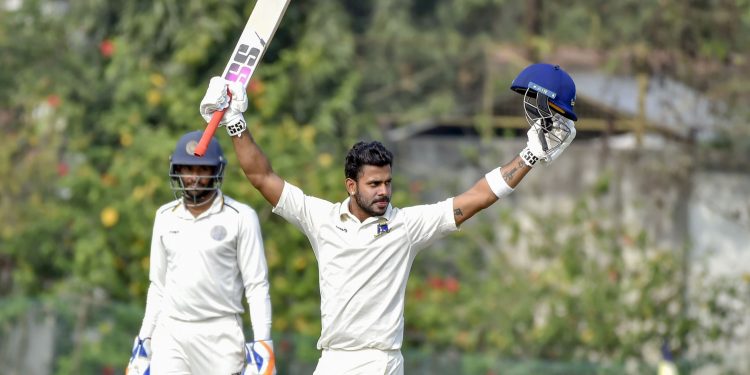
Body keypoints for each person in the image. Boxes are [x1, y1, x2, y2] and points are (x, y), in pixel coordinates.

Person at [199, 63, 578, 374]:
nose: (384, 191)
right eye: (374, 183)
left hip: (379, 362)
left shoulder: (406, 227)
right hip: (331, 360)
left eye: (388, 182)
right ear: (351, 185)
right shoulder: (321, 219)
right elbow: (262, 177)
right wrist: (235, 121)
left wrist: (528, 156)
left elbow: (477, 197)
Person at [126, 131, 275, 375]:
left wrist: (262, 343)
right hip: (171, 331)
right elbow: (158, 286)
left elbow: (257, 285)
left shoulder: (241, 217)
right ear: (177, 170)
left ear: (216, 171)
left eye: (202, 170)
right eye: (187, 169)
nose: (193, 177)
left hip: (221, 335)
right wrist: (144, 339)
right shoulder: (164, 216)